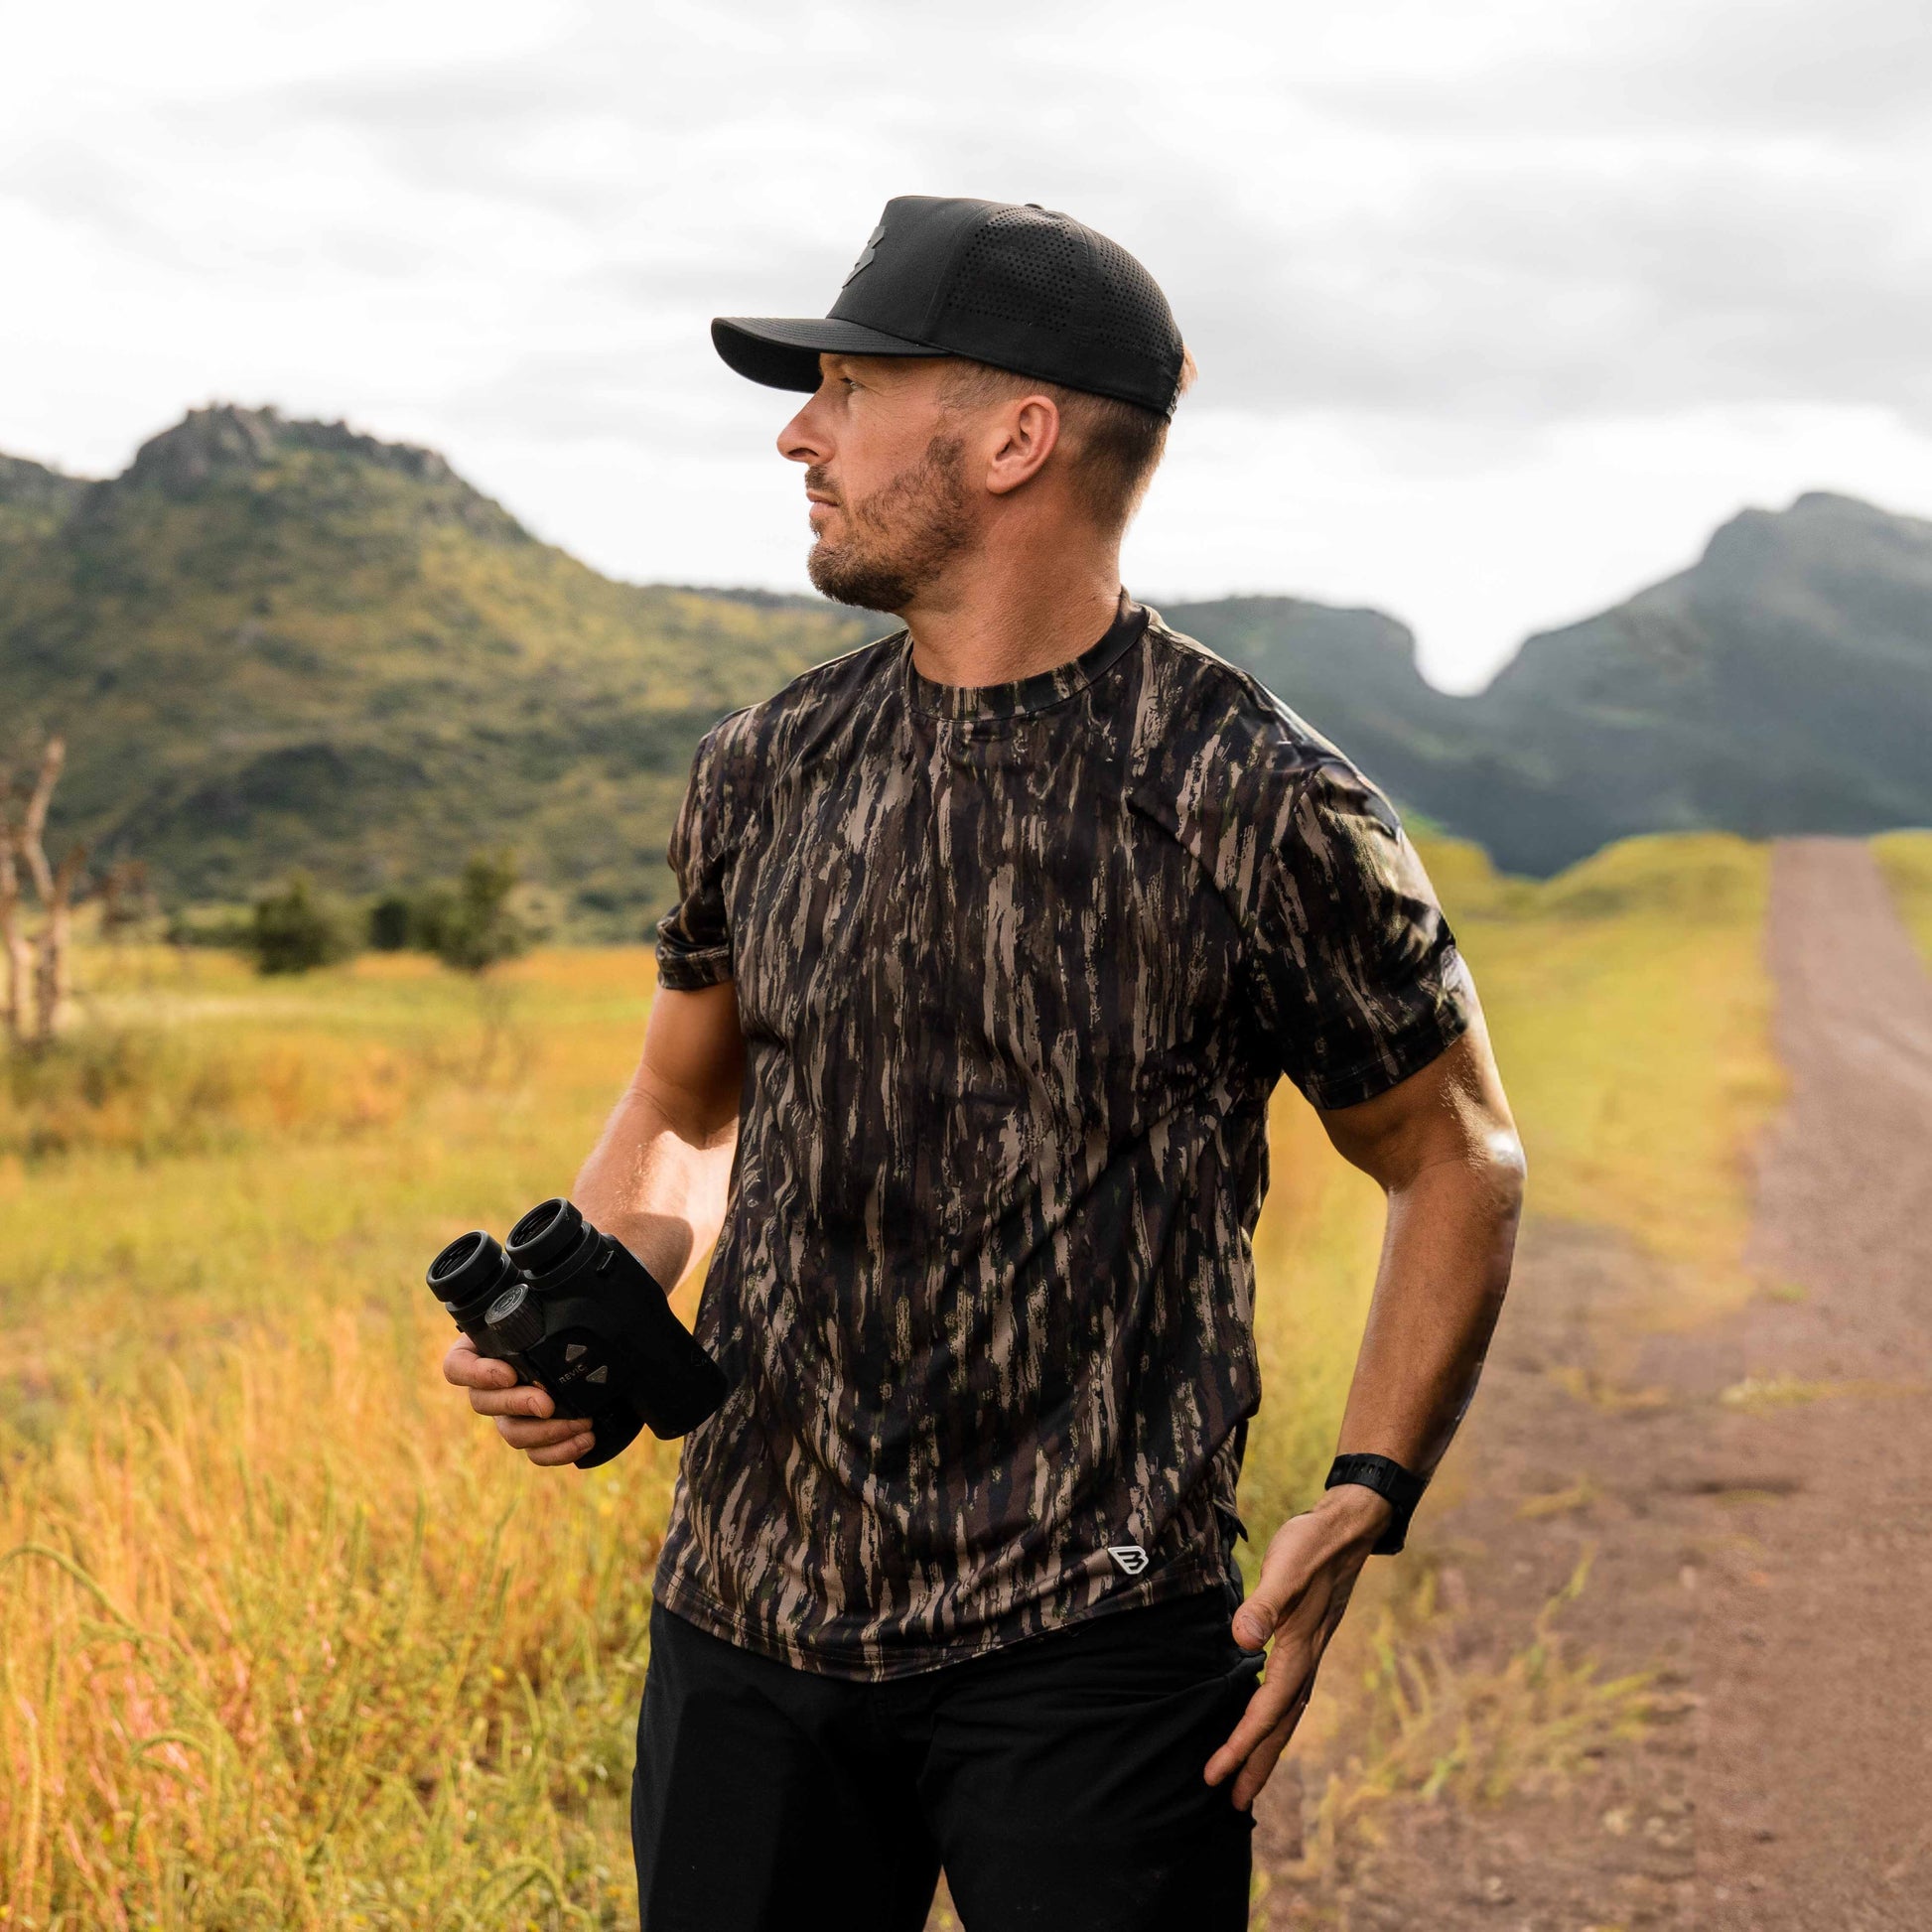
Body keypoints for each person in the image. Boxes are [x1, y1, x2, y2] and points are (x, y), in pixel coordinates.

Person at [444, 196, 1525, 1931]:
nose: (799, 427)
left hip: (1097, 1648)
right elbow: (680, 1104)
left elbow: (1454, 1152)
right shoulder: (764, 765)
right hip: (747, 1620)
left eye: (850, 387)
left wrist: (1366, 1491)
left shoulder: (1260, 798)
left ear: (1015, 435)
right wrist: (609, 1291)